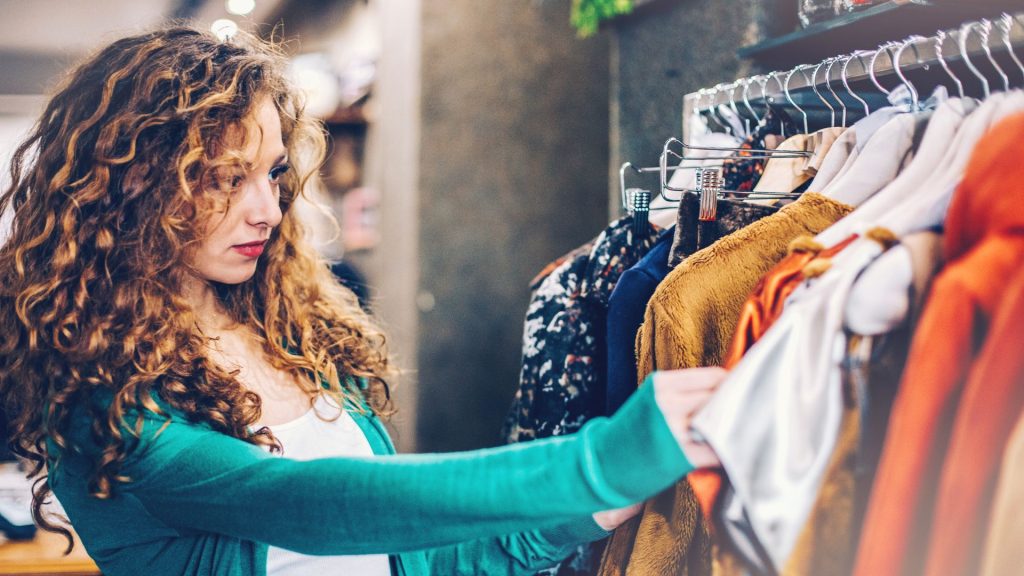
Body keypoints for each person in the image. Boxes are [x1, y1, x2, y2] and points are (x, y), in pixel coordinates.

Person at [0, 26, 725, 576]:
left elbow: (417, 557)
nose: (267, 211)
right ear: (129, 185)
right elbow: (320, 504)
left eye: (273, 175)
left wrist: (581, 514)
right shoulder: (101, 402)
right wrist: (599, 462)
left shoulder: (290, 334)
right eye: (224, 176)